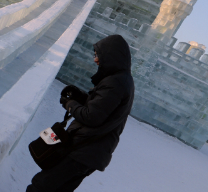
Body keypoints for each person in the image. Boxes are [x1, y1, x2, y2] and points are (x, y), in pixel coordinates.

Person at [26, 34, 134, 192]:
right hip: (90, 152)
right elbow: (103, 108)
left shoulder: (115, 83)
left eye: (98, 55)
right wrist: (80, 96)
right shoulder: (121, 80)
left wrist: (69, 104)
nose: (95, 59)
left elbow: (92, 116)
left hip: (84, 150)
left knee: (41, 186)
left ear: (111, 56)